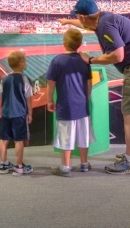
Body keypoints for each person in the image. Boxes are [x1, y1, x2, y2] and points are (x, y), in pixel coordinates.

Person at [59, 0, 130, 175]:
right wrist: (68, 21)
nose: (77, 19)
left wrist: (90, 60)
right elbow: (85, 24)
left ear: (84, 17)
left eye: (77, 17)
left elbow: (117, 56)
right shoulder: (102, 19)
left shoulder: (105, 26)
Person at [46, 28, 95, 177]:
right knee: (83, 135)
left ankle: (65, 167)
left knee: (65, 136)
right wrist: (85, 98)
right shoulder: (84, 60)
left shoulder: (57, 60)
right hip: (82, 105)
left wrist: (49, 100)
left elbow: (50, 83)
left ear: (64, 43)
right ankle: (84, 164)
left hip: (65, 105)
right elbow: (89, 83)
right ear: (79, 44)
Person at [0, 51, 34, 176]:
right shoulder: (24, 79)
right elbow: (29, 98)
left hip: (6, 113)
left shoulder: (4, 79)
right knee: (19, 140)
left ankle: (4, 164)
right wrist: (30, 113)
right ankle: (19, 167)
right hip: (19, 114)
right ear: (21, 63)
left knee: (3, 139)